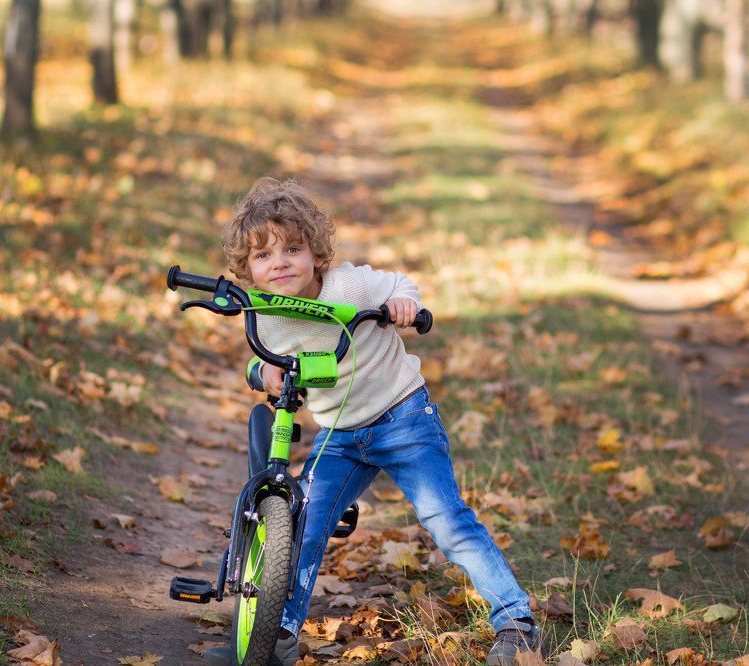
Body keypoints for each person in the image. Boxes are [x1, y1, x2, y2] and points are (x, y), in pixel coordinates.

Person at [205, 178, 545, 666]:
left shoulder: (352, 285)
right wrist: (265, 371)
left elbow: (401, 284)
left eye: (293, 249)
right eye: (263, 256)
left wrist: (403, 304)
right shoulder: (266, 311)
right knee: (302, 523)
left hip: (402, 417)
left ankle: (517, 623)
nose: (279, 263)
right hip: (339, 437)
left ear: (316, 255)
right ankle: (274, 636)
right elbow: (257, 362)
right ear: (247, 271)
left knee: (446, 520)